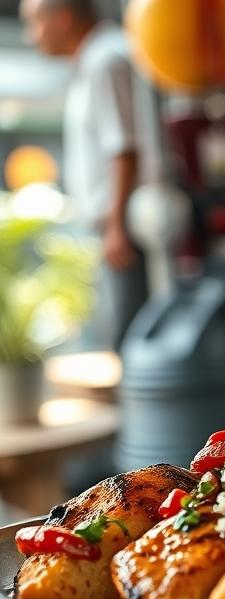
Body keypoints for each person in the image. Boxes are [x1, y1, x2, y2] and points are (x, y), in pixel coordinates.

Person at [22, 0, 147, 350]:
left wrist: (116, 225)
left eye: (34, 23)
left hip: (125, 230)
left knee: (130, 338)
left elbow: (123, 147)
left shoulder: (105, 61)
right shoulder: (92, 62)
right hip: (116, 227)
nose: (32, 36)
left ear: (62, 19)